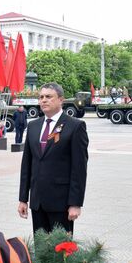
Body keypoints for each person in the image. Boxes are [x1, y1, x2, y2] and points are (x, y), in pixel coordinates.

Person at [18, 82, 89, 234]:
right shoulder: (33, 126)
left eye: (49, 97)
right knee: (41, 251)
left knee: (61, 253)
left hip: (61, 203)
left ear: (61, 100)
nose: (43, 100)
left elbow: (79, 169)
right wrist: (23, 198)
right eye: (41, 97)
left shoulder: (75, 126)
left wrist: (75, 203)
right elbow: (27, 165)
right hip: (37, 203)